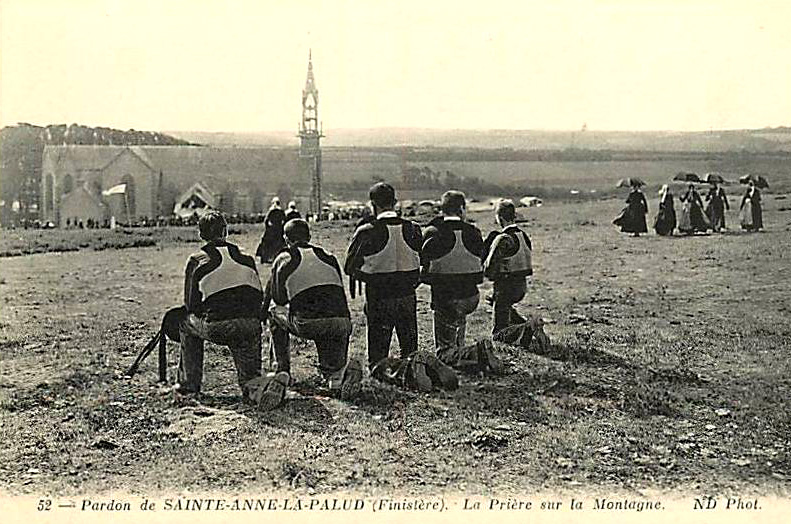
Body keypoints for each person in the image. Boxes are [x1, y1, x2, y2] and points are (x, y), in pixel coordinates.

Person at [176, 211, 283, 408]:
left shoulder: (197, 260)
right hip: (250, 323)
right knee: (249, 373)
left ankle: (189, 385)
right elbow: (257, 295)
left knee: (184, 322)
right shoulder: (246, 257)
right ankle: (256, 389)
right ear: (226, 230)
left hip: (218, 324)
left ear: (201, 234)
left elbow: (191, 305)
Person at [264, 219, 362, 399]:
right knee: (328, 325)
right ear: (309, 236)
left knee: (274, 312)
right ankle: (337, 377)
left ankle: (281, 370)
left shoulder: (285, 258)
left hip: (309, 323)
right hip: (342, 322)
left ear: (286, 239)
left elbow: (279, 299)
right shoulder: (329, 257)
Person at [344, 182, 422, 372]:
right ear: (395, 202)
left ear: (372, 204)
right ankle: (411, 371)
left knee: (378, 359)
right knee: (410, 351)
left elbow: (349, 267)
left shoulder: (367, 231)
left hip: (379, 297)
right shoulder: (413, 228)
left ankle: (381, 372)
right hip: (407, 296)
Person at [420, 190, 484, 353]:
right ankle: (459, 348)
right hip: (471, 298)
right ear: (462, 209)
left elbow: (424, 267)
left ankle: (456, 352)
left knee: (444, 350)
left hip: (444, 298)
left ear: (442, 210)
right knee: (459, 314)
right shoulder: (474, 232)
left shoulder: (432, 232)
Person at [483, 199, 533, 342]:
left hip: (505, 288)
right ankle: (524, 325)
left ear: (499, 217)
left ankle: (526, 329)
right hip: (521, 287)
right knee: (495, 301)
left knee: (497, 335)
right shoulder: (524, 236)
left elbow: (489, 268)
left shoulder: (503, 239)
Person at [256, 197, 287, 263]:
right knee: (281, 243)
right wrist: (282, 227)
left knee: (266, 243)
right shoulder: (281, 211)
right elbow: (284, 220)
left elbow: (266, 221)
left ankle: (264, 257)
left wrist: (268, 228)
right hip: (279, 230)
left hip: (271, 230)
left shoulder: (271, 211)